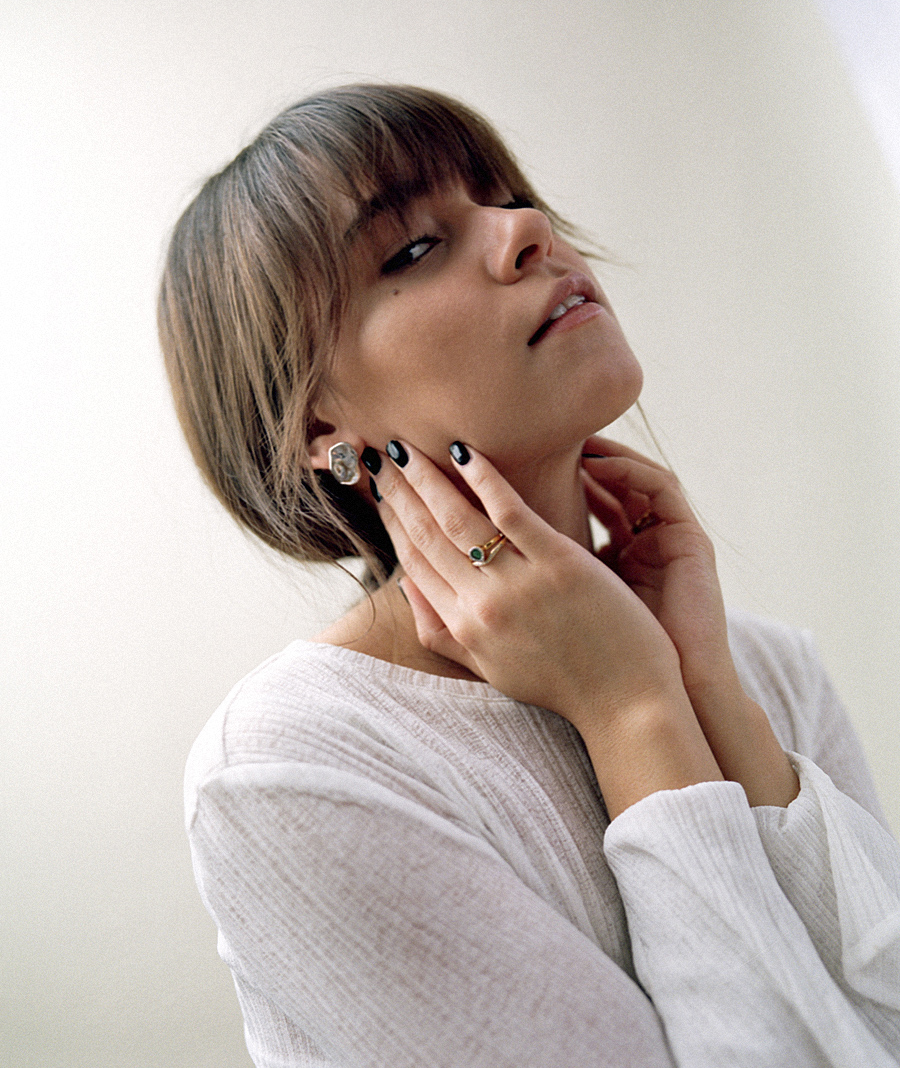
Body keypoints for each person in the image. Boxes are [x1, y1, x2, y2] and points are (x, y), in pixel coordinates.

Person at [159, 84, 900, 1068]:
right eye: (415, 247)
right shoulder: (293, 764)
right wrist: (632, 706)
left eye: (507, 194)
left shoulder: (768, 664)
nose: (527, 230)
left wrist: (706, 685)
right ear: (320, 430)